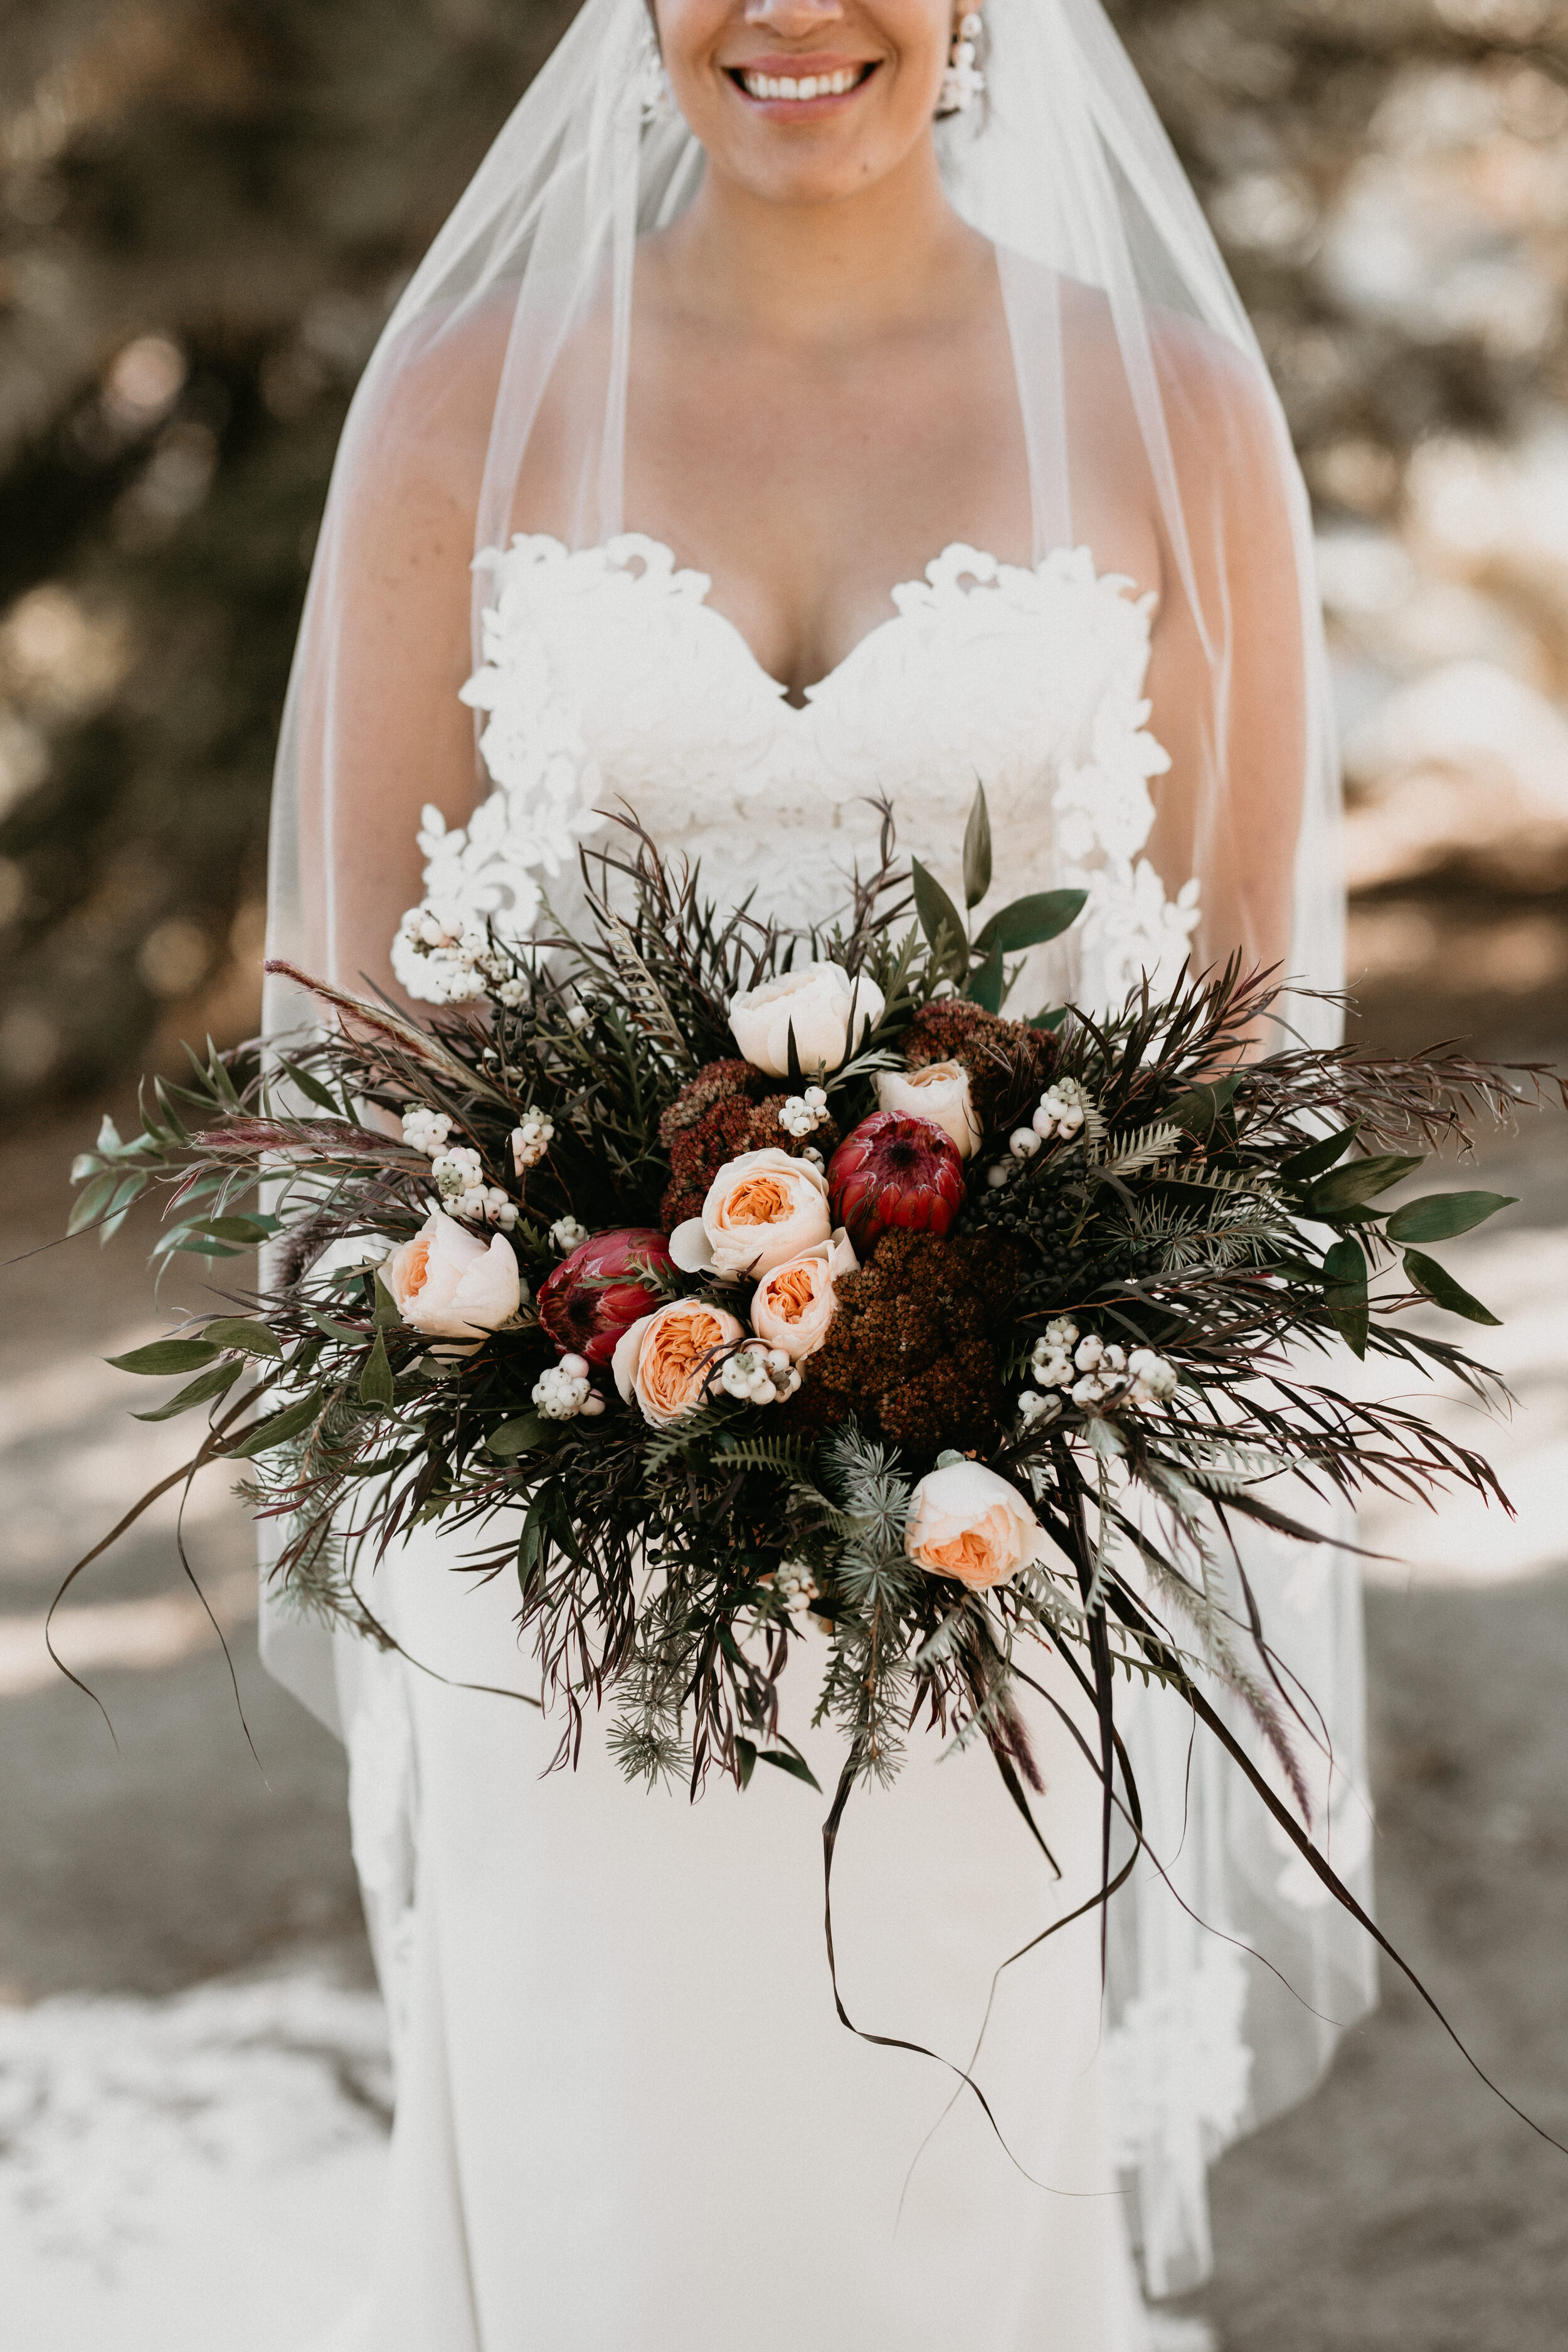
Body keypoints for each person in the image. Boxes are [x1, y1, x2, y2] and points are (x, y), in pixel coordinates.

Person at [264, 1, 1377, 2342]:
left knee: (933, 2174)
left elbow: (1242, 1029)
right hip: (545, 1486)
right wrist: (551, 1357)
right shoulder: (465, 399)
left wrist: (1048, 1351)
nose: (788, 14)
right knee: (596, 2156)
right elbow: (360, 1008)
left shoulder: (1170, 416)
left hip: (989, 1508)